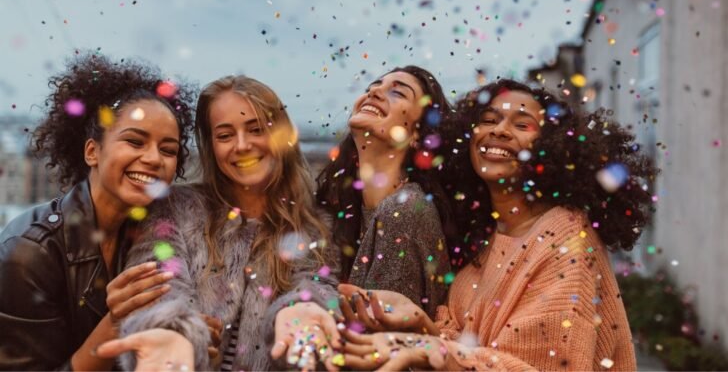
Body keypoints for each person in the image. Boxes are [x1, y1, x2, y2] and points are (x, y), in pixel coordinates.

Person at [336, 79, 658, 371]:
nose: (499, 131)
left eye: (523, 124)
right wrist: (419, 323)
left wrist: (425, 344)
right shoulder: (487, 236)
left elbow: (535, 366)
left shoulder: (567, 238)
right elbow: (471, 351)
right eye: (488, 120)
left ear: (552, 146)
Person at [115, 75, 342, 371]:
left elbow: (315, 288)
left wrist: (303, 314)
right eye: (225, 135)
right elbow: (157, 288)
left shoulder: (314, 226)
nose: (242, 145)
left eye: (256, 129)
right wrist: (176, 333)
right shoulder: (175, 209)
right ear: (211, 146)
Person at [0, 53, 196, 370]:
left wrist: (194, 340)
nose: (153, 159)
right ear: (92, 151)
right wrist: (117, 322)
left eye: (168, 150)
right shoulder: (28, 253)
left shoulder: (163, 235)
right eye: (135, 141)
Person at [316, 66, 454, 319]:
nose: (375, 91)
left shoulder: (405, 209)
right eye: (372, 87)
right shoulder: (345, 209)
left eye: (398, 93)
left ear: (416, 134)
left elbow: (379, 340)